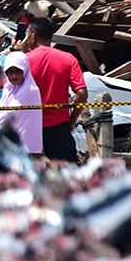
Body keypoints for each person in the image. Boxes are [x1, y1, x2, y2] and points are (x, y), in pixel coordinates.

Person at [24, 15, 87, 163]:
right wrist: (72, 121)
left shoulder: (23, 61)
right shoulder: (68, 58)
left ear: (33, 37)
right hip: (59, 130)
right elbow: (82, 93)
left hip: (29, 129)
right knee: (66, 179)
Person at [0, 51, 43, 154]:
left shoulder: (29, 90)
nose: (13, 75)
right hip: (9, 143)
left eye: (18, 71)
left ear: (25, 70)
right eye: (10, 72)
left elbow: (9, 113)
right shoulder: (9, 87)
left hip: (24, 147)